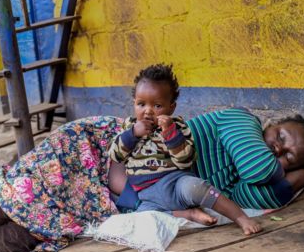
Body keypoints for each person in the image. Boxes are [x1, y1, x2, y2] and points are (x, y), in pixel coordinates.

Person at [0, 110, 304, 252]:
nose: (276, 149)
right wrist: (292, 166)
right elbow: (259, 165)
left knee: (45, 227)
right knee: (29, 183)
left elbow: (270, 191)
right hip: (113, 146)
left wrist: (303, 174)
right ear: (269, 122)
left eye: (287, 155)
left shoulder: (255, 180)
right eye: (281, 135)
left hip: (131, 191)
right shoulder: (241, 121)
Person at [109, 64, 261, 235]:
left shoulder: (178, 127)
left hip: (176, 184)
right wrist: (133, 134)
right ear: (134, 103)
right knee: (144, 215)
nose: (148, 111)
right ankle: (189, 214)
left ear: (171, 107)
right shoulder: (129, 127)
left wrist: (170, 134)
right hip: (146, 193)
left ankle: (240, 217)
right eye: (141, 104)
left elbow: (186, 160)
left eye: (157, 106)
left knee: (197, 187)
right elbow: (115, 154)